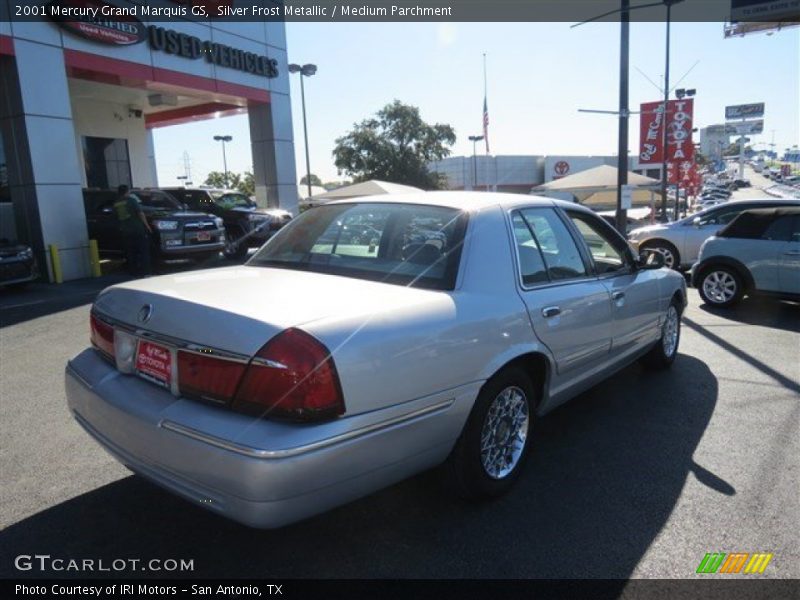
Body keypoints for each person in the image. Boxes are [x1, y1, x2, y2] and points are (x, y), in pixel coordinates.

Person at [114, 185, 153, 276]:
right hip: (137, 229)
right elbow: (140, 213)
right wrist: (147, 226)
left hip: (126, 231)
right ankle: (146, 272)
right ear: (127, 191)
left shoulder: (116, 203)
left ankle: (134, 273)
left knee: (131, 253)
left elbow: (116, 217)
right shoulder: (131, 201)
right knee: (144, 252)